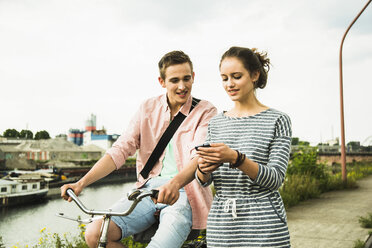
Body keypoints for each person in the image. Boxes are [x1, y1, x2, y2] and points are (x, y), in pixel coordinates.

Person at [61, 50, 217, 248]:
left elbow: (199, 157)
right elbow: (120, 149)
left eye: (187, 79)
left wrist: (173, 185)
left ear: (193, 77)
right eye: (174, 80)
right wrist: (81, 183)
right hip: (147, 191)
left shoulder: (206, 111)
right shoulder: (148, 108)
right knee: (95, 234)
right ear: (162, 82)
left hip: (184, 192)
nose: (182, 86)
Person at [161, 46, 292, 247]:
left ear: (254, 75)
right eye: (224, 78)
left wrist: (235, 158)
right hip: (222, 227)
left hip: (265, 226)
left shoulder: (278, 120)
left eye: (236, 76)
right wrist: (204, 169)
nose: (230, 84)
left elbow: (275, 179)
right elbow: (205, 181)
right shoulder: (216, 123)